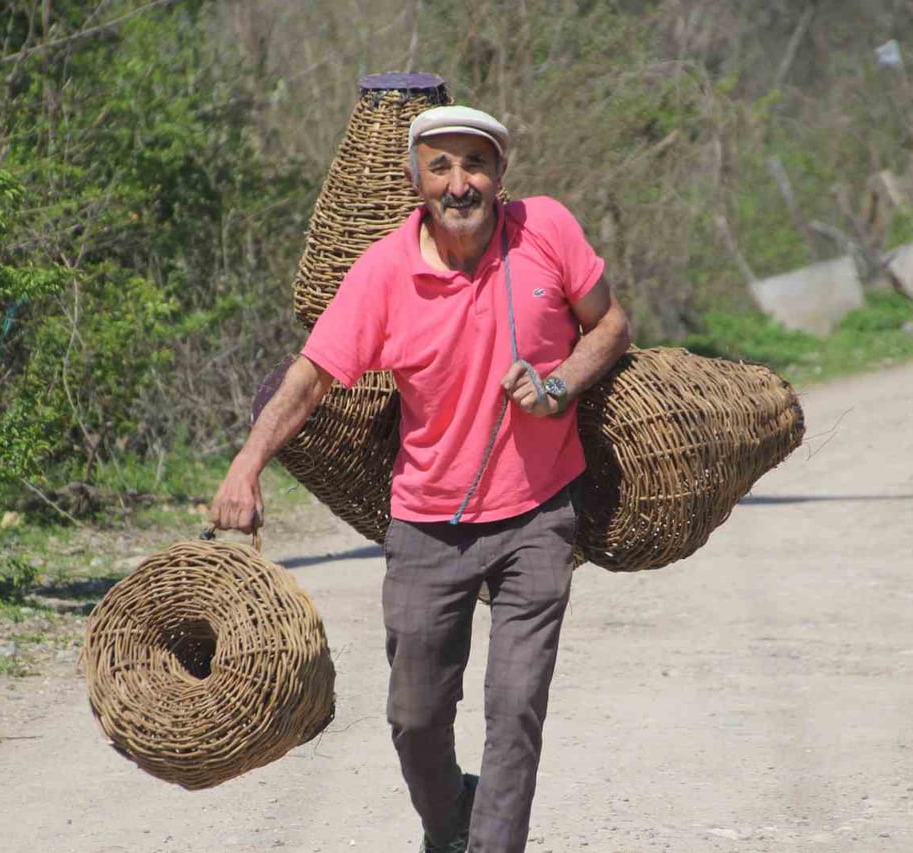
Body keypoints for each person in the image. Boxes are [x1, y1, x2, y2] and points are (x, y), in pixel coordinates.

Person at [211, 104, 631, 853]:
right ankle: (451, 823)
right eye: (440, 166)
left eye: (476, 164)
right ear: (416, 181)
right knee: (414, 717)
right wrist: (247, 465)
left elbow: (610, 324)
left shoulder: (545, 231)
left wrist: (560, 386)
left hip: (539, 513)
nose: (459, 182)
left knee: (516, 708)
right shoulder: (384, 272)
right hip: (427, 522)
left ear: (501, 175)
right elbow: (310, 376)